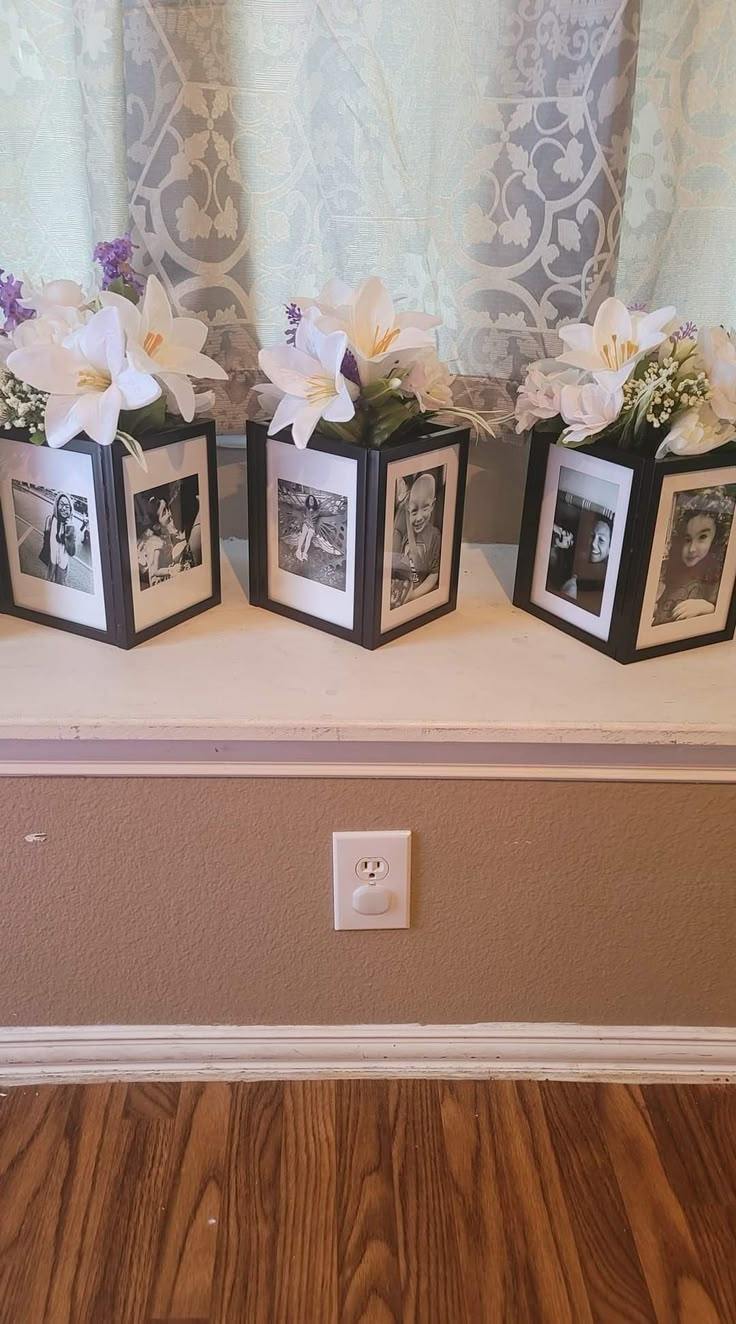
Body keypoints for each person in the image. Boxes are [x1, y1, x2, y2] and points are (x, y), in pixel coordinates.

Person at [653, 495, 733, 625]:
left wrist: (706, 607)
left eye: (702, 537)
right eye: (687, 539)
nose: (691, 549)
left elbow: (726, 613)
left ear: (716, 540)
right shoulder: (672, 572)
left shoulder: (720, 576)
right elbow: (664, 605)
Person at [391, 472, 441, 607]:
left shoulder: (434, 536)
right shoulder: (402, 534)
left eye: (425, 508)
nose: (419, 517)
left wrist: (413, 596)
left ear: (432, 505)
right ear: (408, 508)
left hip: (418, 595)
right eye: (414, 511)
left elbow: (434, 574)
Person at [41, 493, 76, 586]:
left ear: (70, 508)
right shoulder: (51, 519)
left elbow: (71, 552)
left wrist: (70, 530)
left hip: (62, 564)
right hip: (51, 560)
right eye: (61, 504)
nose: (63, 508)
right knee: (48, 582)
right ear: (56, 505)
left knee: (60, 585)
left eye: (66, 506)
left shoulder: (70, 525)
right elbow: (46, 539)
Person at [296, 493, 319, 563]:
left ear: (314, 501)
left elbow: (325, 514)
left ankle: (305, 553)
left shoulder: (317, 511)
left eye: (312, 499)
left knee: (309, 537)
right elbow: (297, 508)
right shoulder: (305, 508)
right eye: (309, 499)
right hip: (306, 524)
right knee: (303, 535)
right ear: (308, 501)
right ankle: (298, 550)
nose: (311, 501)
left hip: (312, 526)